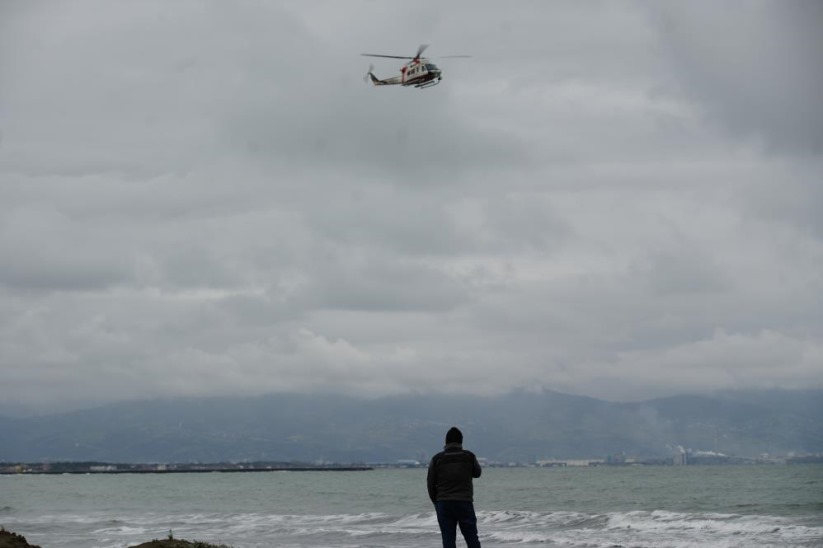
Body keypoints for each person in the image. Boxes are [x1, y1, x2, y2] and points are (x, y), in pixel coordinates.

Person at [427, 426, 482, 548]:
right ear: (461, 441)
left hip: (443, 503)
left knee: (448, 538)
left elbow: (430, 483)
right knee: (471, 536)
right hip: (464, 502)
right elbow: (477, 473)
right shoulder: (469, 456)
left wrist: (436, 501)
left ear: (446, 442)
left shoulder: (437, 459)